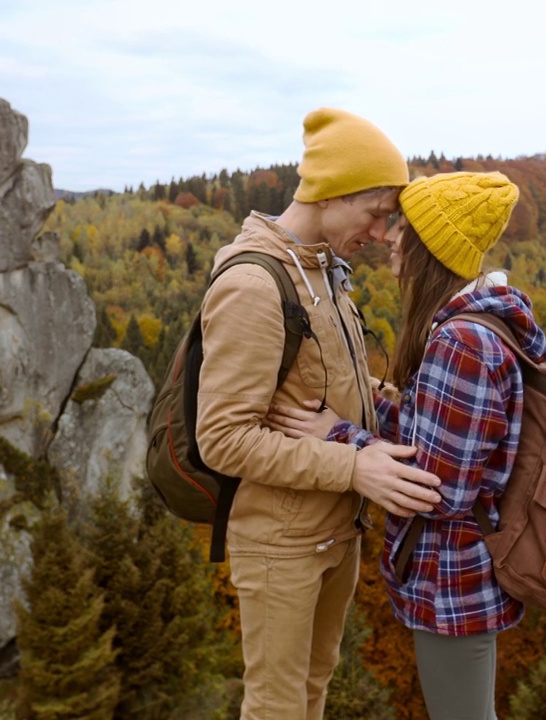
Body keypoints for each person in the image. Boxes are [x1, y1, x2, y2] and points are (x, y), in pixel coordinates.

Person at [265, 171, 546, 720]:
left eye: (405, 227)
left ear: (432, 248)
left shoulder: (462, 342)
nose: (390, 237)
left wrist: (337, 434)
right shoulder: (477, 324)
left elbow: (437, 490)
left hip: (454, 582)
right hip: (460, 577)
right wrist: (366, 400)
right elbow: (437, 433)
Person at [194, 107, 444, 720]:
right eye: (378, 213)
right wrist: (354, 468)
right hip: (281, 545)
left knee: (312, 693)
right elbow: (221, 439)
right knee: (278, 707)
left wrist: (409, 401)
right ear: (334, 193)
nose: (385, 233)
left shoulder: (324, 269)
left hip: (336, 532)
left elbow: (331, 387)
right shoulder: (253, 285)